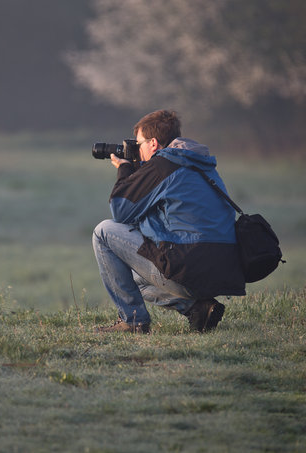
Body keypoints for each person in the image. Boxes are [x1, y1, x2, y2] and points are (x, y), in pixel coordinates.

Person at [92, 110, 245, 333]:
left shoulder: (162, 166)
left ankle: (132, 321)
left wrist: (125, 169)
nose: (138, 150)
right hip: (223, 272)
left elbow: (120, 212)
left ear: (153, 143)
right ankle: (199, 309)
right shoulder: (200, 164)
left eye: (139, 143)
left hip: (190, 270)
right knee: (137, 275)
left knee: (103, 231)